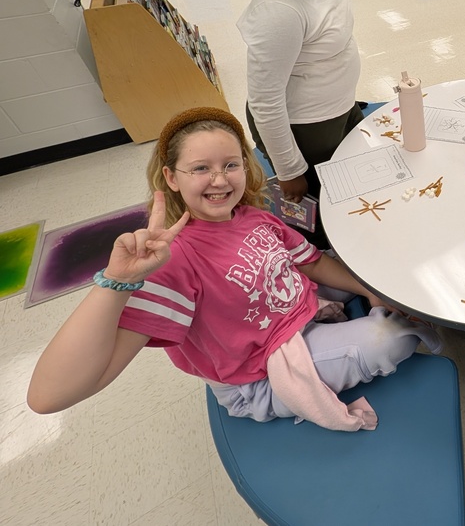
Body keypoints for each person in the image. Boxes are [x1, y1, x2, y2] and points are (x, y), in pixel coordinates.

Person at [27, 107, 440, 431]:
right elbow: (47, 396)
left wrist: (372, 292)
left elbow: (310, 262)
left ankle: (362, 305)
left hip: (296, 312)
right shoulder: (172, 264)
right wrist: (117, 282)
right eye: (200, 168)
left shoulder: (253, 217)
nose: (219, 180)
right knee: (391, 338)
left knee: (366, 264)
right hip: (258, 375)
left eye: (230, 164)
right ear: (171, 177)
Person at [237, 0, 361, 249]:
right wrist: (291, 170)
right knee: (323, 210)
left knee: (351, 187)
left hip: (338, 108)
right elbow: (265, 102)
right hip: (305, 126)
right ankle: (327, 261)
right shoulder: (278, 13)